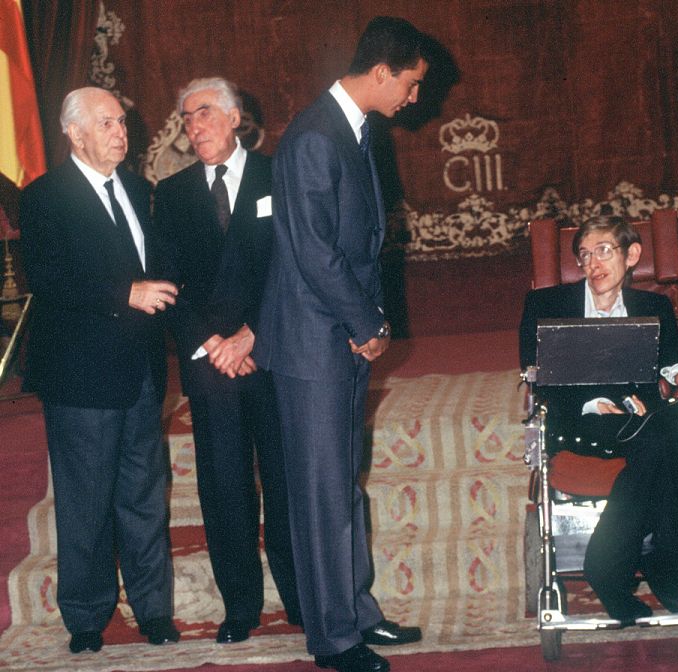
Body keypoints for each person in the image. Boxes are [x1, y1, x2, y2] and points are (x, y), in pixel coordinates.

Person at [254, 17, 427, 672]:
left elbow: (355, 248)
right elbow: (314, 254)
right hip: (313, 342)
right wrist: (368, 325)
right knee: (322, 492)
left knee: (343, 487)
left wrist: (363, 323)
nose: (413, 98)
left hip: (337, 337)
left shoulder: (352, 129)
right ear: (381, 72)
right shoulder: (313, 137)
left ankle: (356, 613)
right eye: (410, 84)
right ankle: (333, 641)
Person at [19, 87, 180, 653]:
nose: (121, 132)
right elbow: (47, 279)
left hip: (140, 372)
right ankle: (86, 620)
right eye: (107, 122)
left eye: (122, 122)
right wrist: (124, 292)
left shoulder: (138, 189)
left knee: (143, 493)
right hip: (79, 376)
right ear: (75, 132)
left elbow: (156, 270)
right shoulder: (42, 199)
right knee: (86, 501)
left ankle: (154, 611)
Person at [519, 215, 678, 624]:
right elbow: (536, 374)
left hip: (644, 421)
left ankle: (608, 569)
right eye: (583, 255)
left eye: (604, 251)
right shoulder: (546, 305)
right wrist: (594, 402)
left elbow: (668, 369)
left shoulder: (656, 306)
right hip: (583, 424)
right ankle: (666, 569)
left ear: (632, 255)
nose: (592, 264)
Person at [154, 77, 301, 644]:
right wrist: (213, 344)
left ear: (236, 117)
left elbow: (294, 266)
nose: (195, 127)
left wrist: (253, 335)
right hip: (210, 362)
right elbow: (168, 280)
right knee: (223, 486)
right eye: (187, 118)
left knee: (286, 482)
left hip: (274, 349)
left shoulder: (276, 176)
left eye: (206, 113)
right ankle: (239, 606)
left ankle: (300, 599)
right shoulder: (171, 192)